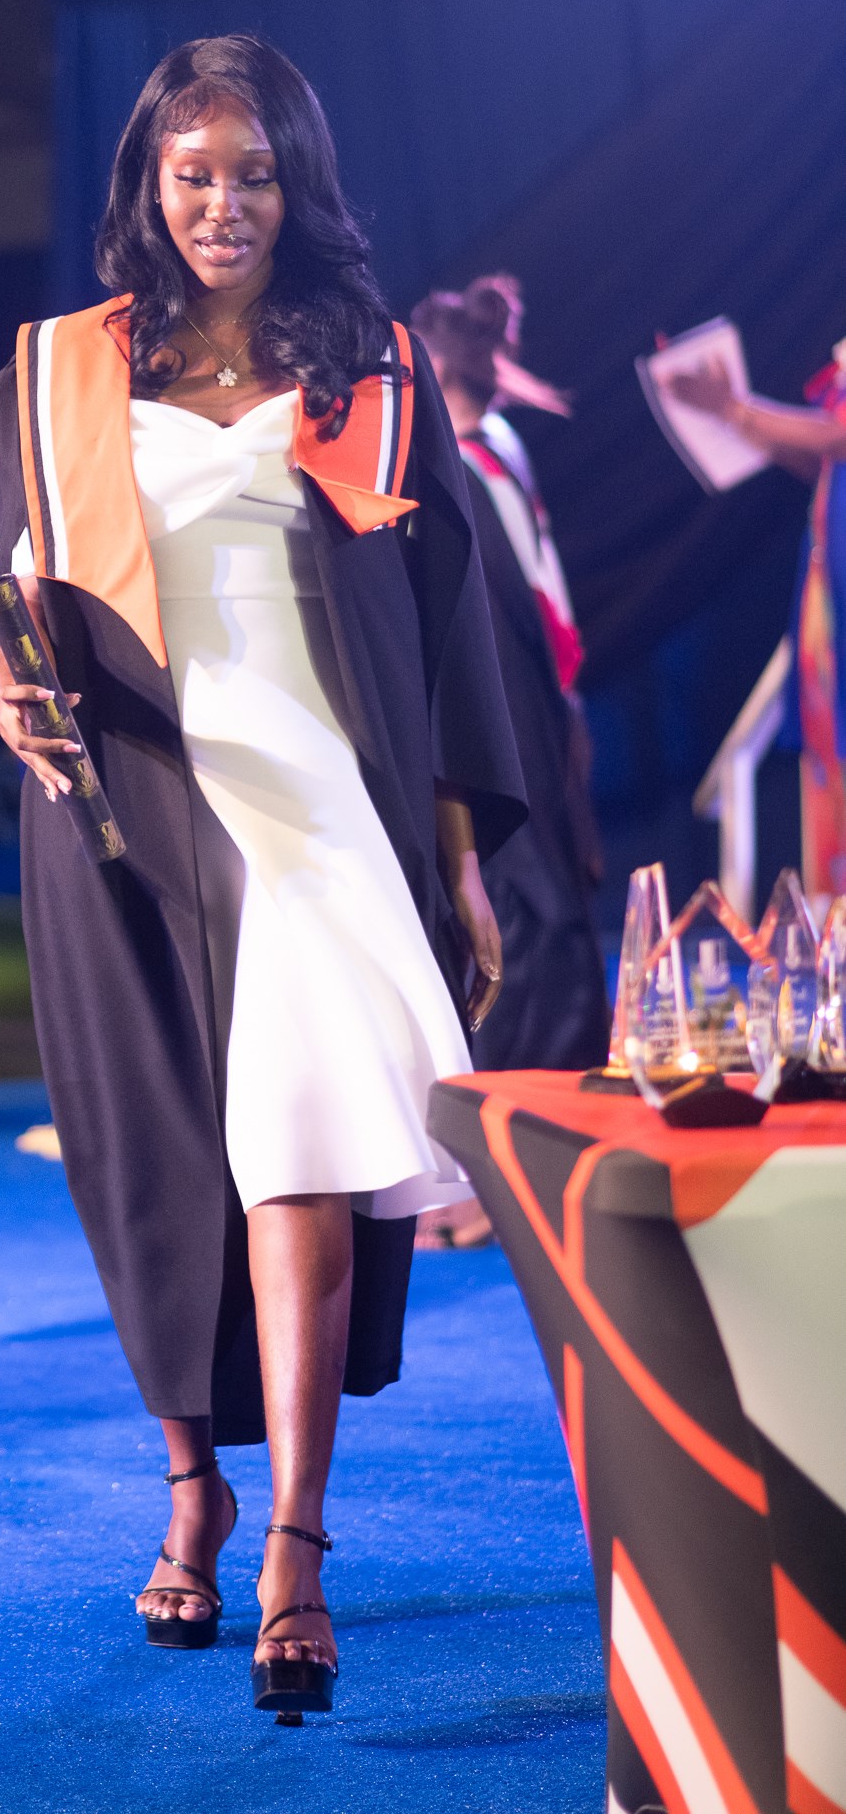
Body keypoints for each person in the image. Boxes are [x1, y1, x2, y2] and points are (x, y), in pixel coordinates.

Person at [0, 36, 525, 1717]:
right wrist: (1, 678)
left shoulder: (370, 373)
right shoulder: (56, 372)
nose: (224, 205)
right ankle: (188, 1490)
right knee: (159, 1155)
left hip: (315, 794)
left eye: (256, 174)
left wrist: (457, 853)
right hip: (129, 798)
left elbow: (447, 625)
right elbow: (20, 583)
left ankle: (294, 1535)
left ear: (301, 185)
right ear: (148, 184)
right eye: (194, 174)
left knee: (298, 1146)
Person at [411, 280, 610, 1251]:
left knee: (529, 922)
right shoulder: (482, 455)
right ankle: (499, 1168)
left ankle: (516, 1169)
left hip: (510, 707)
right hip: (518, 706)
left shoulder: (468, 463)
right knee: (523, 920)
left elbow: (511, 614)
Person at [666, 339, 846, 898]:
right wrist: (739, 422)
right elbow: (824, 461)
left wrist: (732, 407)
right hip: (828, 609)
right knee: (831, 771)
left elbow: (836, 437)